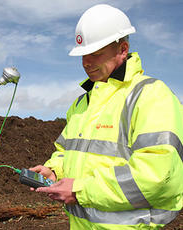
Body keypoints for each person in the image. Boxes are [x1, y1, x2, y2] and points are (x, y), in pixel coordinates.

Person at [30, 4, 183, 230]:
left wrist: (80, 190)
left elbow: (157, 175)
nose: (86, 62)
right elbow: (66, 152)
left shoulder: (151, 95)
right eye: (83, 55)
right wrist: (54, 170)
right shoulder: (81, 104)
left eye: (96, 53)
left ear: (123, 49)